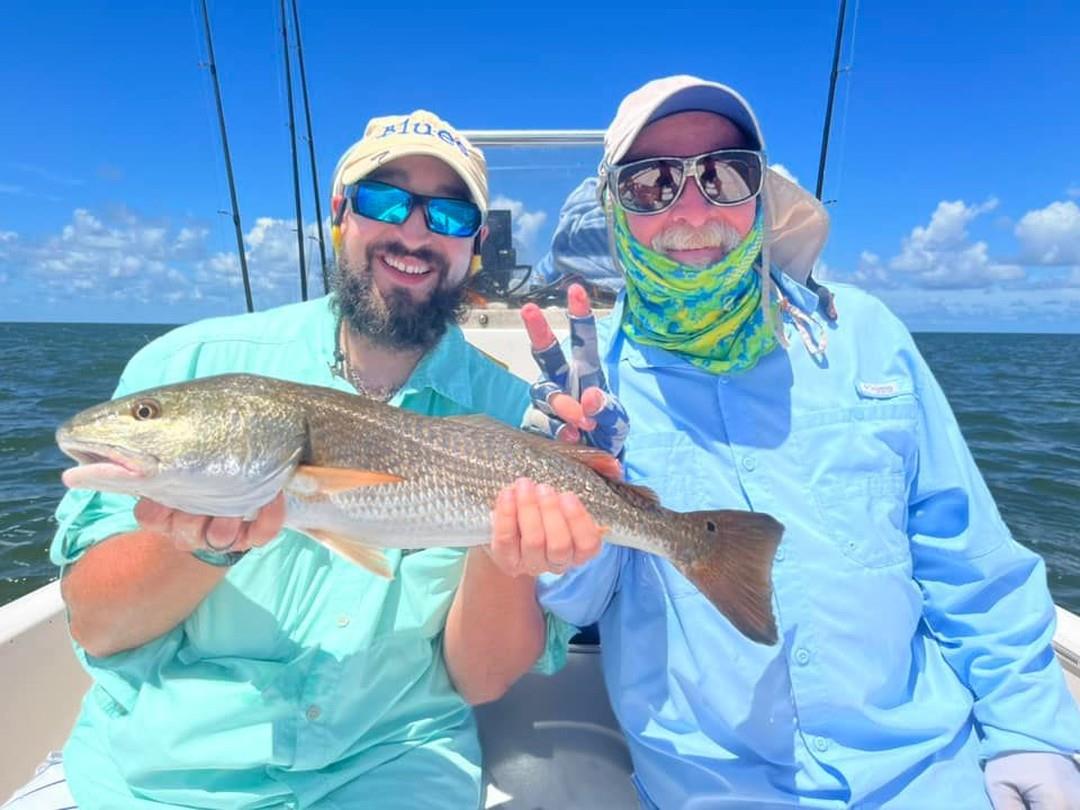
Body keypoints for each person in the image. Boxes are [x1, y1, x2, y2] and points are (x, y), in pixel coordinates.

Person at [485, 76, 1080, 808]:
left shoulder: (865, 335)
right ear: (616, 211)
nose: (693, 208)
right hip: (715, 789)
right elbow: (577, 604)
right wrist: (577, 480)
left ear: (760, 195)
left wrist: (1029, 733)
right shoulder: (590, 385)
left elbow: (968, 562)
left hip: (929, 772)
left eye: (725, 173)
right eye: (653, 183)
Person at [3, 110, 598, 810]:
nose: (413, 232)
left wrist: (508, 551)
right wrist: (201, 543)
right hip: (152, 779)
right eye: (384, 199)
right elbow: (96, 624)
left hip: (396, 769)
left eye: (448, 213)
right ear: (341, 214)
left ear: (476, 243)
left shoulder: (508, 415)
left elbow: (482, 681)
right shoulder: (191, 361)